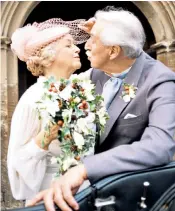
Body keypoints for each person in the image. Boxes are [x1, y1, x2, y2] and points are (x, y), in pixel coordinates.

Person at [27, 6, 175, 211]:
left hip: (123, 196)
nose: (84, 45)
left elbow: (159, 146)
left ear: (113, 51)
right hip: (76, 189)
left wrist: (85, 169)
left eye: (92, 40)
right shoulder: (96, 71)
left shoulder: (161, 81)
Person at [7, 18, 92, 202]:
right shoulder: (32, 99)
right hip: (53, 193)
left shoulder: (82, 88)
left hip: (87, 190)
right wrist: (45, 138)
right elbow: (17, 162)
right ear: (48, 56)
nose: (78, 49)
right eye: (68, 46)